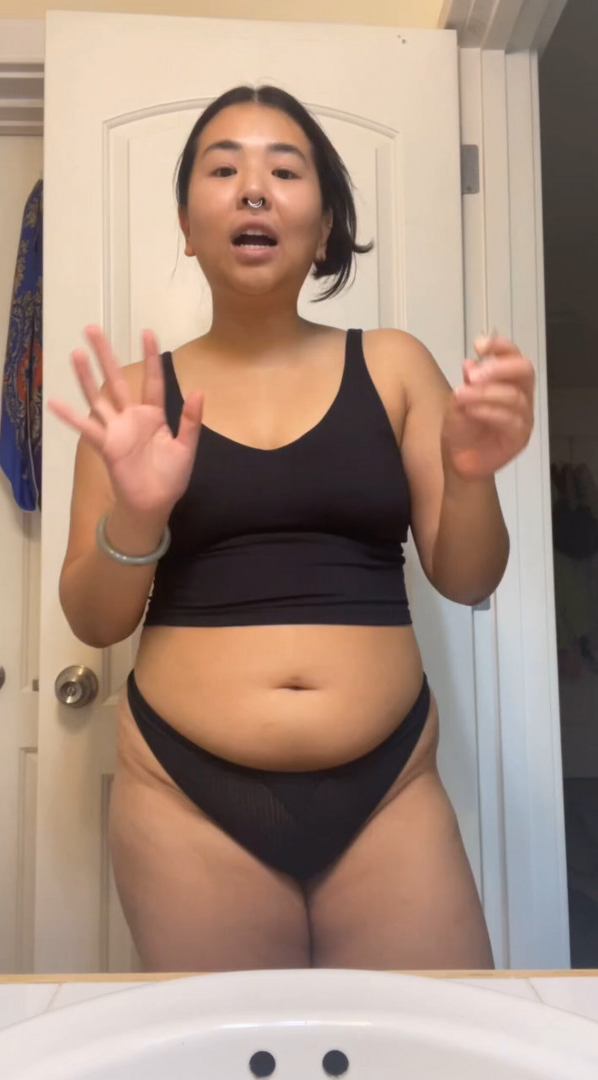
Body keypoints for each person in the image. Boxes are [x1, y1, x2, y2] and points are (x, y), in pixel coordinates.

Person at [49, 85, 535, 973]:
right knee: (231, 1043)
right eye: (221, 169)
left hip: (388, 788)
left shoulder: (393, 365)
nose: (252, 188)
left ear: (325, 226)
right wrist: (139, 513)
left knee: (431, 1037)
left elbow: (468, 578)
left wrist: (470, 476)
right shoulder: (135, 398)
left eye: (284, 169)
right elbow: (95, 621)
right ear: (187, 226)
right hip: (184, 791)